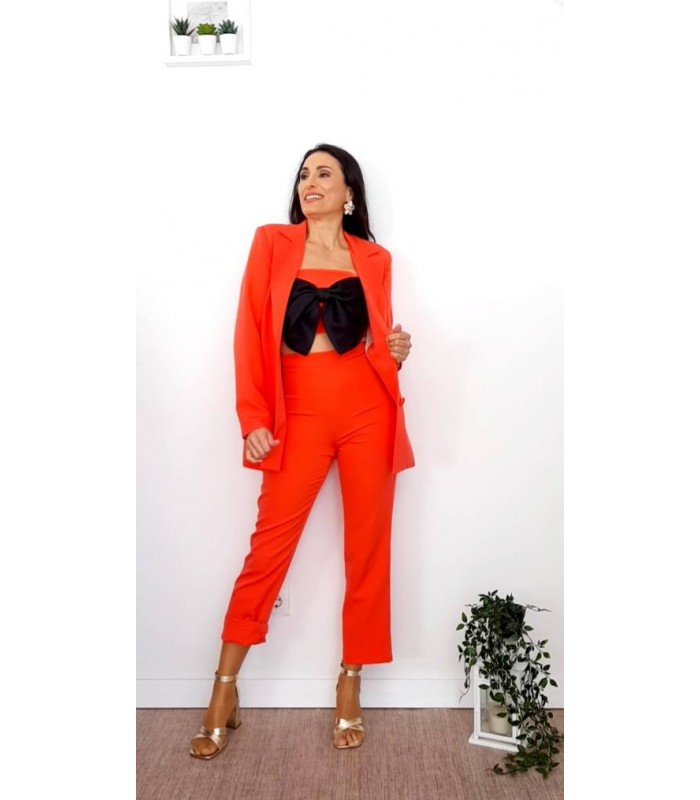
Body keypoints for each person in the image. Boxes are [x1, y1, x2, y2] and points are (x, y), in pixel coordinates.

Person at [189, 143, 415, 759]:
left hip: (367, 407)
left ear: (349, 194)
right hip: (297, 411)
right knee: (269, 549)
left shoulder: (375, 258)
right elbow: (247, 332)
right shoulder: (272, 243)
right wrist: (253, 418)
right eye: (304, 174)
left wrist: (395, 352)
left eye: (324, 174)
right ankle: (224, 688)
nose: (309, 182)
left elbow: (377, 341)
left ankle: (350, 682)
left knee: (368, 548)